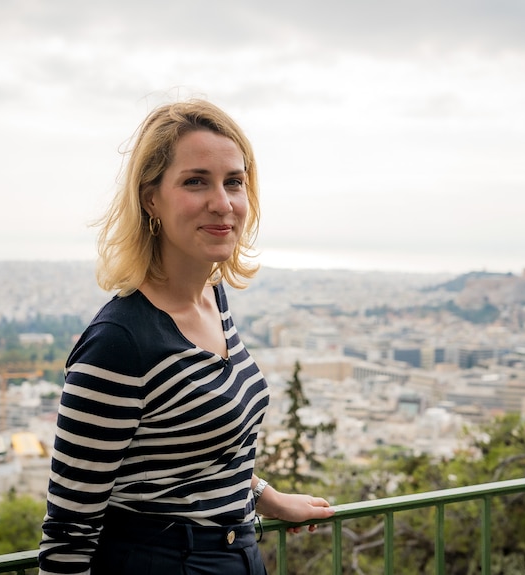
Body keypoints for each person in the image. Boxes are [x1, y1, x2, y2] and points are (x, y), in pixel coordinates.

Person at [39, 99, 335, 575]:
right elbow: (68, 531)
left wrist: (265, 496)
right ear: (150, 198)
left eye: (234, 182)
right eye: (196, 181)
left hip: (237, 553)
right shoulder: (119, 342)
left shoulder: (212, 300)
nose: (223, 202)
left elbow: (194, 452)